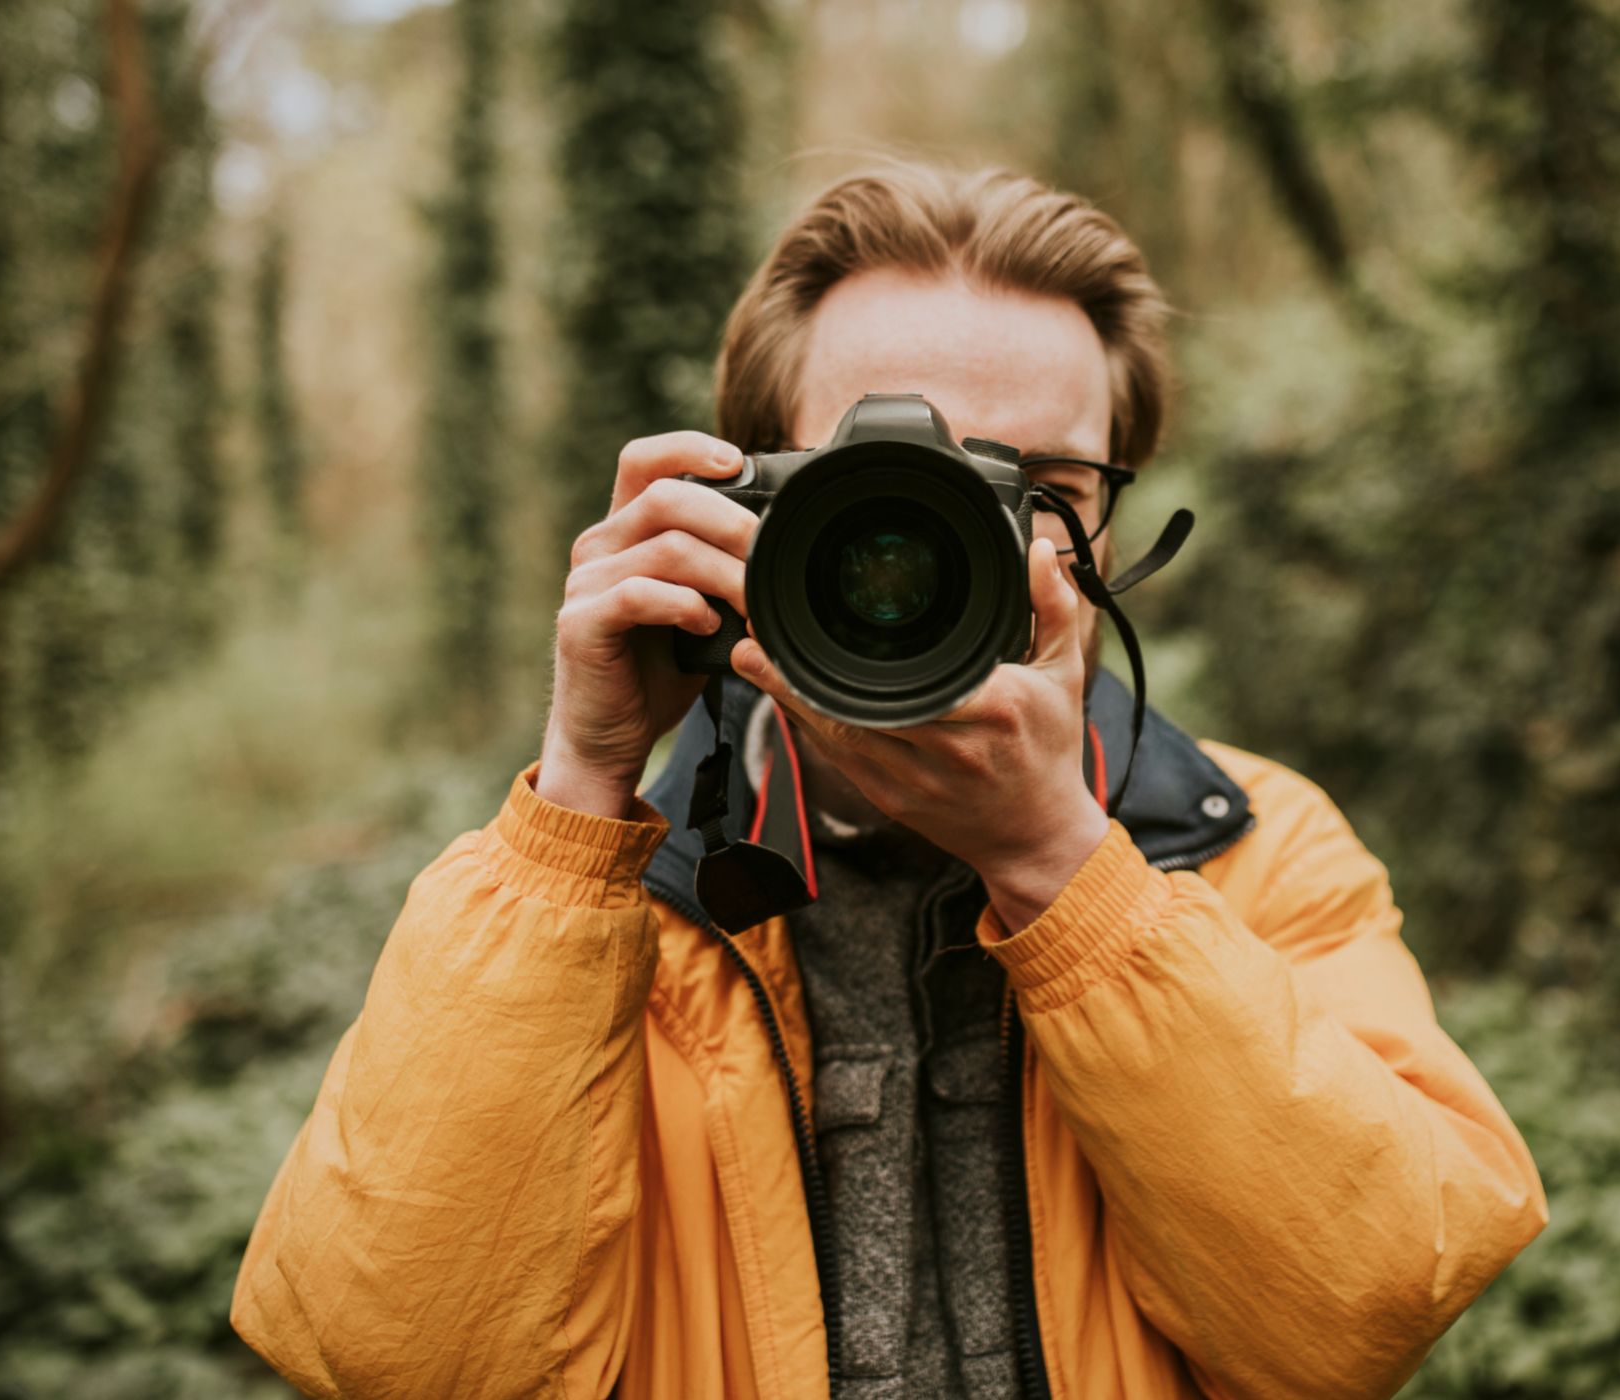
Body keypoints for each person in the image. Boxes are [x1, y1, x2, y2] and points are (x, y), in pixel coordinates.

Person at [231, 164, 1547, 1400]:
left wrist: (1063, 870)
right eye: (885, 486)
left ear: (1112, 525)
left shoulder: (1258, 847)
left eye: (1038, 485)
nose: (949, 539)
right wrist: (583, 787)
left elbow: (1364, 1308)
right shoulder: (598, 902)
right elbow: (394, 1359)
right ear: (747, 504)